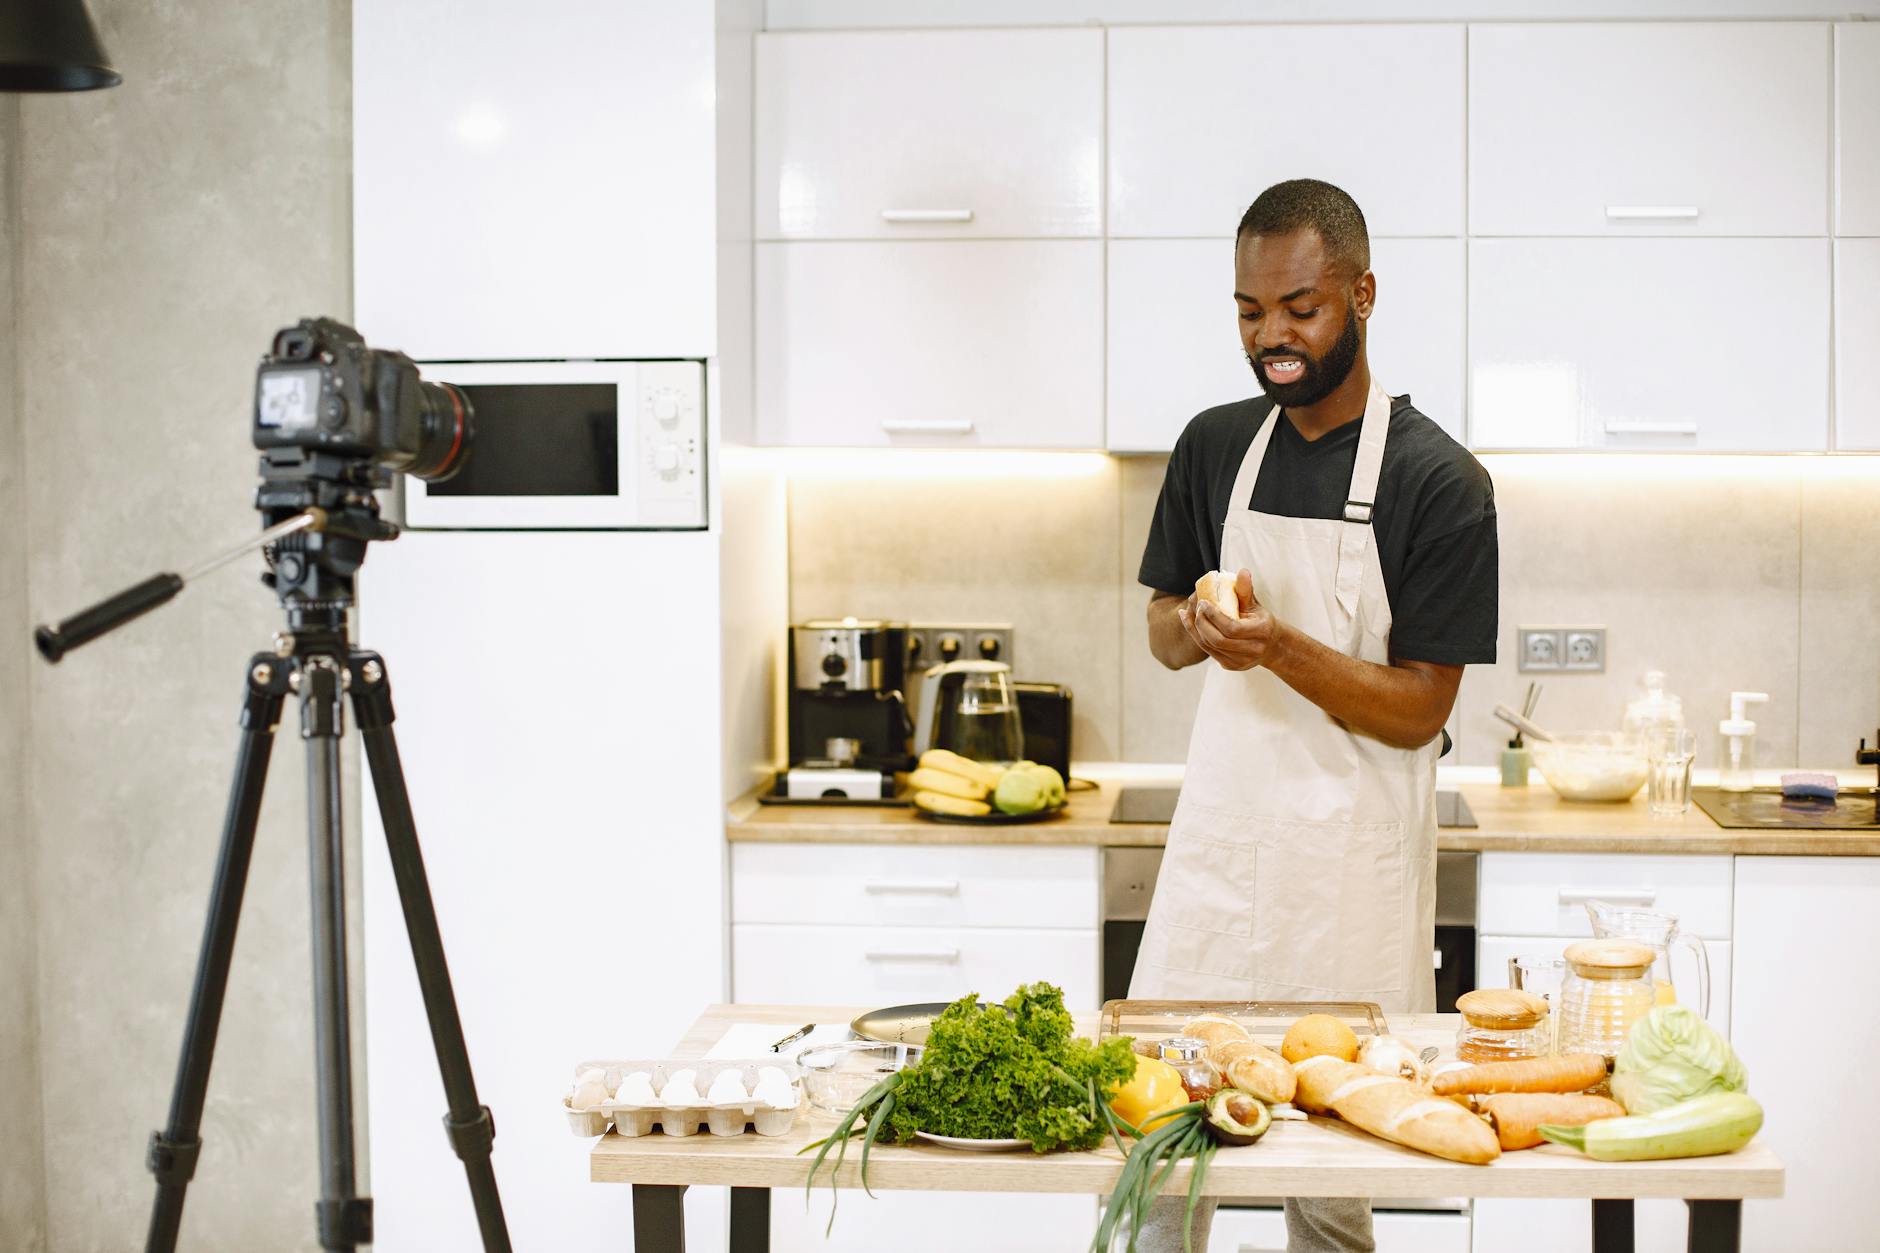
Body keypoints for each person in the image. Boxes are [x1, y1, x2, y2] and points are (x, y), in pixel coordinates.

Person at [1130, 178, 1499, 1253]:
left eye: (1300, 308)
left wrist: (1278, 644)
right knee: (1159, 1148)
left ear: (1362, 294)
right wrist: (1198, 626)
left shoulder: (1438, 481)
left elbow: (1419, 706)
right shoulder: (1213, 445)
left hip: (1348, 870)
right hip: (1219, 851)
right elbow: (1157, 630)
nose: (1272, 338)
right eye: (1249, 311)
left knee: (1332, 1172)